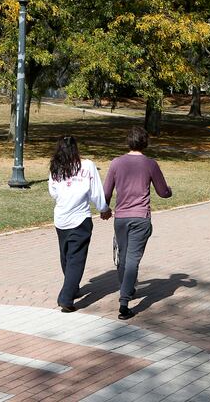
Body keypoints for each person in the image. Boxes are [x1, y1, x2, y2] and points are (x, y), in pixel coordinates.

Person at [101, 126, 172, 320]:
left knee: (124, 258)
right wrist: (169, 191)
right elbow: (162, 191)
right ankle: (124, 302)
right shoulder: (150, 164)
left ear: (128, 141)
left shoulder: (116, 163)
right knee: (132, 259)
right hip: (140, 217)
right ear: (145, 142)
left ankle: (127, 289)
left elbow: (106, 191)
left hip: (121, 217)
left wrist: (104, 209)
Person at [48, 135, 111, 313]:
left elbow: (53, 192)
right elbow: (96, 192)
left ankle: (72, 286)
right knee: (76, 259)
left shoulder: (55, 167)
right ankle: (66, 298)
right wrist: (104, 209)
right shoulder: (88, 165)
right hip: (80, 219)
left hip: (61, 218)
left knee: (66, 255)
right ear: (76, 149)